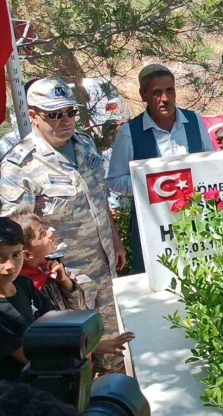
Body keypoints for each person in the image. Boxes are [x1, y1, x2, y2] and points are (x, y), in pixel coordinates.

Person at [0, 78, 127, 375]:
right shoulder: (20, 166)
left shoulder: (84, 144)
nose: (66, 120)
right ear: (33, 116)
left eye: (70, 112)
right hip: (63, 284)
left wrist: (116, 240)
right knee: (75, 360)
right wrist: (51, 273)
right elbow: (14, 236)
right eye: (54, 114)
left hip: (103, 265)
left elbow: (98, 198)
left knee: (114, 351)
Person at [107, 64, 215, 274]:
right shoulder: (129, 133)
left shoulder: (195, 121)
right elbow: (114, 180)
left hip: (196, 219)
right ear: (143, 95)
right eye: (157, 92)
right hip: (153, 225)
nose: (165, 98)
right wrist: (153, 185)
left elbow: (211, 163)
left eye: (169, 90)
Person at [0, 218, 134, 382]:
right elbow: (31, 357)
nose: (10, 266)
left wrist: (98, 345)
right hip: (20, 393)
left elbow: (58, 327)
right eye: (1, 258)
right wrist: (88, 349)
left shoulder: (24, 284)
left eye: (16, 255)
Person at [11, 211, 85, 311]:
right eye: (42, 234)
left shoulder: (53, 267)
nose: (49, 233)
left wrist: (65, 280)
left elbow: (79, 306)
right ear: (28, 254)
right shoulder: (20, 287)